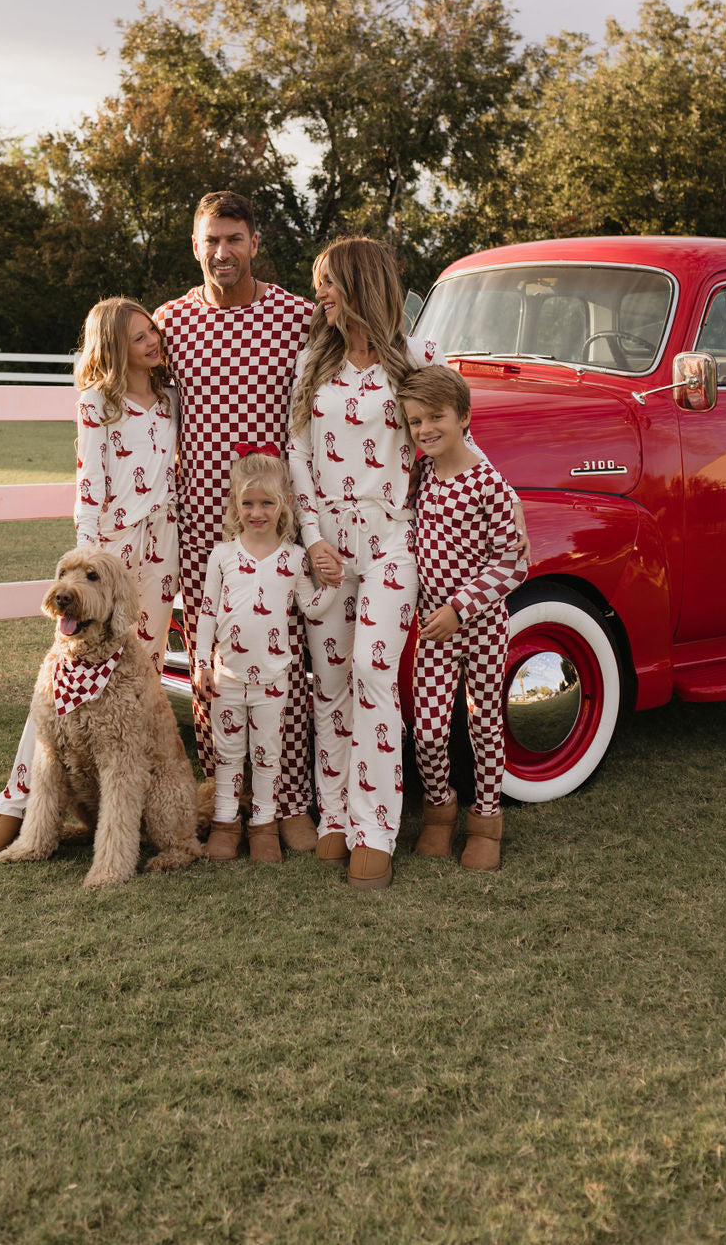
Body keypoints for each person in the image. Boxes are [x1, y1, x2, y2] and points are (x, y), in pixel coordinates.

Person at [0, 298, 179, 856]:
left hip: (161, 557)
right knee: (62, 687)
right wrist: (89, 565)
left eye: (152, 332)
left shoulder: (170, 402)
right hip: (108, 558)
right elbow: (90, 487)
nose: (152, 343)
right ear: (114, 348)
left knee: (139, 677)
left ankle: (130, 816)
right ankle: (17, 801)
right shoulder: (98, 405)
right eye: (139, 338)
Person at [153, 193, 318, 851]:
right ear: (195, 245)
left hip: (276, 525)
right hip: (203, 525)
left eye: (234, 238)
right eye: (210, 240)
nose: (222, 252)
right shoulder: (170, 322)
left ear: (255, 242)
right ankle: (227, 800)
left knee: (289, 658)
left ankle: (291, 801)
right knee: (209, 664)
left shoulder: (294, 317)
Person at [287, 236, 449, 890]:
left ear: (359, 286)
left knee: (372, 671)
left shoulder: (417, 360)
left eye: (328, 282)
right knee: (330, 685)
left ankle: (376, 828)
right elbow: (295, 450)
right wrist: (314, 538)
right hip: (327, 547)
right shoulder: (313, 362)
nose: (319, 294)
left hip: (391, 540)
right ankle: (337, 819)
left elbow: (452, 440)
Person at [400, 364, 528, 871]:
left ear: (464, 417)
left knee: (484, 723)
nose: (426, 428)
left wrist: (460, 607)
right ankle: (438, 812)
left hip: (481, 626)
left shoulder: (488, 483)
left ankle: (487, 821)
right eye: (415, 421)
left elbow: (515, 563)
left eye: (437, 417)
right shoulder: (421, 474)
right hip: (434, 628)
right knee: (428, 729)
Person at [196, 447, 337, 864]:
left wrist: (331, 584)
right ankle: (225, 823)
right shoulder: (222, 556)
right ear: (235, 506)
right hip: (228, 676)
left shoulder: (293, 558)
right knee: (228, 753)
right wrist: (203, 663)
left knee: (267, 753)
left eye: (267, 503)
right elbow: (206, 612)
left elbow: (310, 608)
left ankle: (264, 825)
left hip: (273, 679)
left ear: (284, 505)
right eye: (248, 503)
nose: (257, 512)